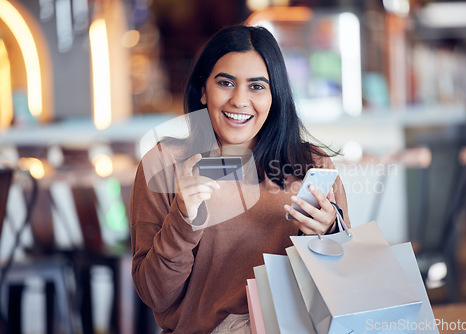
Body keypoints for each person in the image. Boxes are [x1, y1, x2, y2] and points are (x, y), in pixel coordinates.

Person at [129, 24, 350, 334]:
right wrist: (183, 220)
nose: (239, 100)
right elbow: (155, 295)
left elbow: (343, 280)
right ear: (203, 90)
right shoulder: (163, 165)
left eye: (257, 86)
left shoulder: (312, 164)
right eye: (226, 82)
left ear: (275, 96)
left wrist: (330, 231)